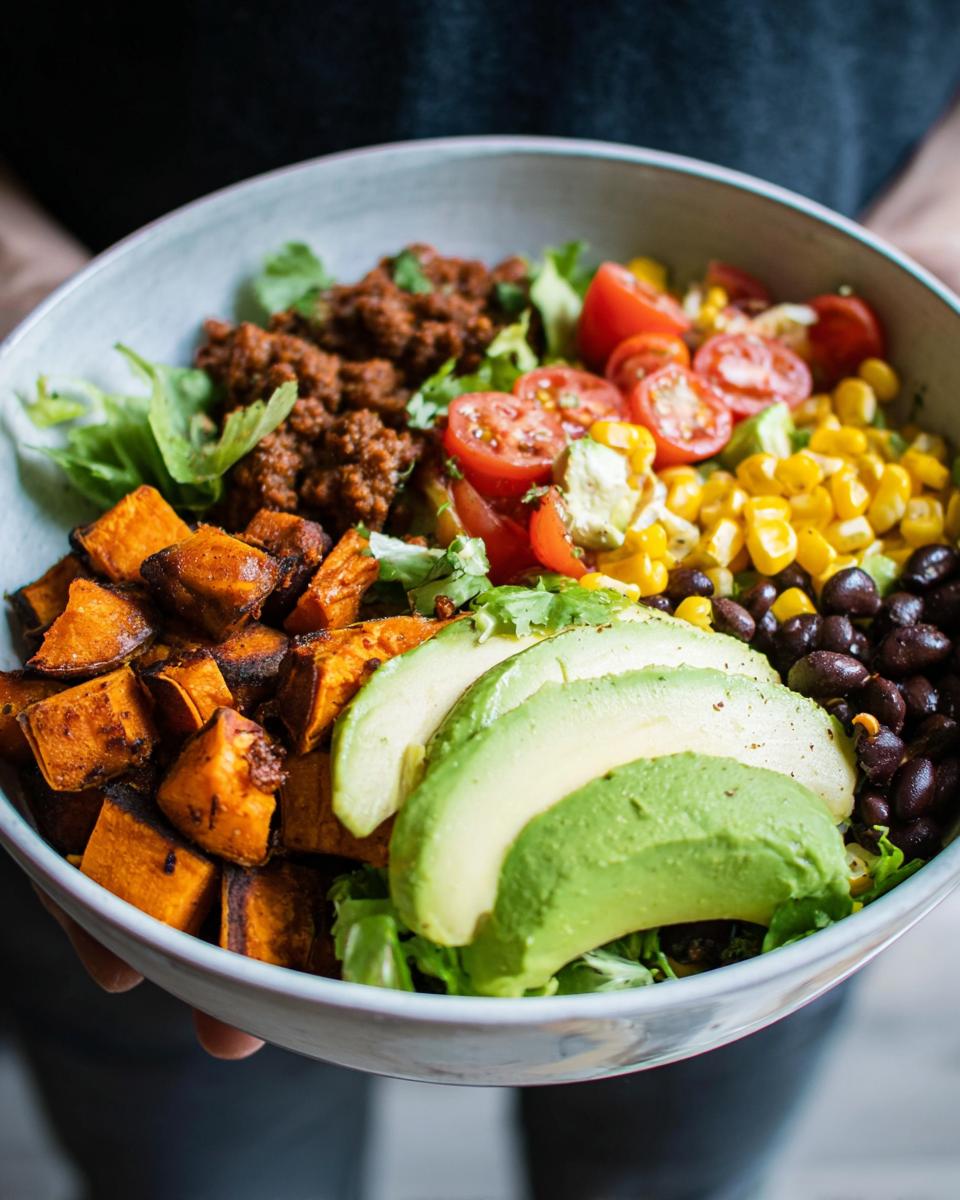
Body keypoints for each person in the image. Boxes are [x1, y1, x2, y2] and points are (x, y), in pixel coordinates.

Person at [2, 4, 959, 1197]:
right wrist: (26, 287)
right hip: (101, 233)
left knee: (665, 1167)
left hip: (837, 192)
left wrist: (930, 242)